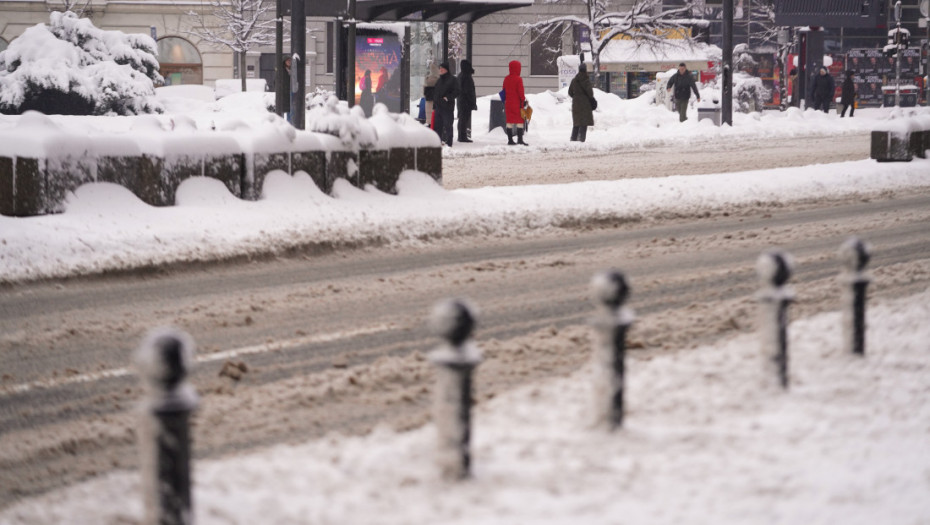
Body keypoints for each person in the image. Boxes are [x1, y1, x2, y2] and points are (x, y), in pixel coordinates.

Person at [432, 61, 460, 147]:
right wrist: (434, 105)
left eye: (442, 69)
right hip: (438, 107)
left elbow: (457, 91)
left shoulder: (453, 79)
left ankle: (449, 142)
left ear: (446, 70)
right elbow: (435, 93)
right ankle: (438, 142)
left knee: (448, 125)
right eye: (440, 69)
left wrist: (447, 98)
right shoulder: (439, 80)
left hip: (447, 107)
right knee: (438, 126)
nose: (440, 70)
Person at [502, 60, 529, 146]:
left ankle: (510, 140)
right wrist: (523, 100)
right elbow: (521, 93)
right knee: (519, 121)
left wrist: (504, 101)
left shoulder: (506, 79)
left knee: (509, 121)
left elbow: (503, 92)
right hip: (517, 104)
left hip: (508, 104)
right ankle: (520, 140)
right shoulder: (518, 79)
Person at [568, 62, 595, 142]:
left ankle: (573, 139)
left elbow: (570, 92)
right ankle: (581, 140)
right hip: (585, 105)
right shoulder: (586, 80)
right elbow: (590, 93)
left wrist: (576, 97)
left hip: (576, 104)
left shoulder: (574, 80)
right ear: (585, 70)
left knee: (576, 123)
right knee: (584, 123)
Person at [456, 59, 477, 143]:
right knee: (464, 119)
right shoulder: (466, 76)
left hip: (461, 101)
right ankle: (462, 136)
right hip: (466, 101)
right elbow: (469, 91)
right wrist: (472, 102)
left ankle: (461, 135)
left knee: (462, 119)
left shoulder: (461, 75)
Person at [423, 61, 440, 129]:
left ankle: (430, 124)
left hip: (428, 98)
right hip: (436, 99)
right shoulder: (438, 79)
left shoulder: (427, 79)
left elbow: (424, 90)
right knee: (435, 115)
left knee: (429, 114)